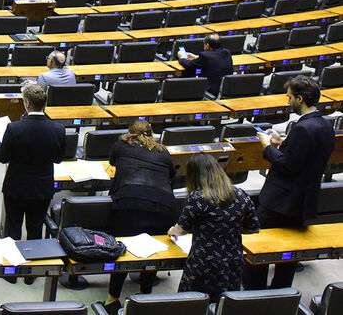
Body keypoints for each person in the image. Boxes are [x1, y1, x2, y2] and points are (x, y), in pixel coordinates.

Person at [244, 75, 335, 289]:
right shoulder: (324, 125)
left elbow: (287, 165)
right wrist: (282, 141)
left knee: (261, 247)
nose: (288, 101)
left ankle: (255, 292)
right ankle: (281, 291)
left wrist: (268, 147)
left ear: (300, 99)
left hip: (281, 201)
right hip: (304, 200)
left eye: (290, 97)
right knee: (288, 256)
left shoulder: (303, 128)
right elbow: (305, 155)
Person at [98, 121, 177, 315]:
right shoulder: (163, 151)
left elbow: (112, 163)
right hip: (164, 206)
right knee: (153, 249)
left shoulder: (120, 145)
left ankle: (112, 298)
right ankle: (144, 293)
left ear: (130, 133)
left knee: (123, 249)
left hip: (129, 202)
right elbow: (172, 175)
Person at [169, 153, 259, 302]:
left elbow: (180, 229)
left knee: (193, 303)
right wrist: (228, 229)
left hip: (204, 263)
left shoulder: (198, 198)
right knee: (225, 304)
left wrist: (171, 231)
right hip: (233, 260)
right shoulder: (241, 195)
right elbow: (253, 227)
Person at [0, 82, 66, 241]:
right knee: (35, 229)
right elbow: (58, 159)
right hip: (42, 189)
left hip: (16, 188)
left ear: (28, 103)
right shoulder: (58, 129)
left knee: (13, 229)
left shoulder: (13, 128)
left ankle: (12, 264)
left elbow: (3, 157)